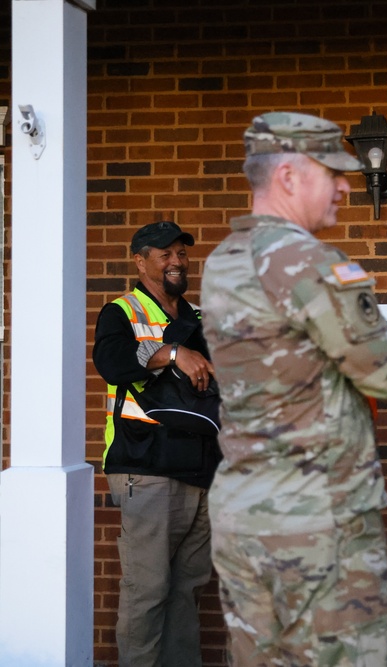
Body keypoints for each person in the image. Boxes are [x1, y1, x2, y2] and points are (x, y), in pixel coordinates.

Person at [200, 112, 387, 666]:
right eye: (332, 171)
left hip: (243, 511)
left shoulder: (223, 260)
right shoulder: (309, 262)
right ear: (290, 177)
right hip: (317, 520)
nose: (346, 185)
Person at [92, 220, 223, 667]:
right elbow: (110, 362)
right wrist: (170, 353)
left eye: (181, 253)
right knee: (147, 591)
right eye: (164, 253)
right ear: (140, 260)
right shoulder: (122, 311)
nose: (176, 261)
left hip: (199, 470)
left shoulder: (197, 317)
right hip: (144, 467)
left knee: (186, 592)